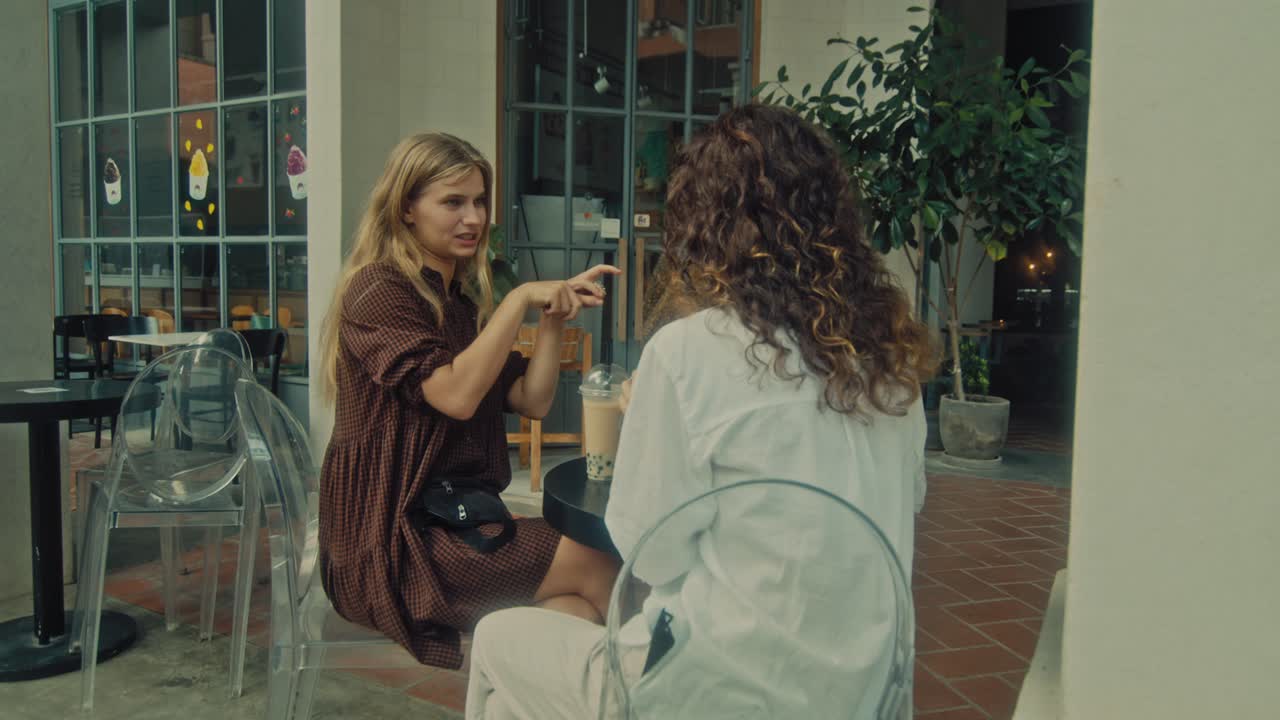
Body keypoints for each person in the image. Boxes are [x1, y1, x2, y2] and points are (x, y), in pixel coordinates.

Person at [465, 104, 934, 718]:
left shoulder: (690, 352)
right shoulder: (890, 363)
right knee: (562, 639)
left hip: (713, 693)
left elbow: (649, 554)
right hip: (864, 696)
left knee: (497, 642)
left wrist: (644, 425)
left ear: (709, 228)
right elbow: (901, 504)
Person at [317, 133, 621, 670]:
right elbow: (456, 396)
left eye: (479, 201)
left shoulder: (456, 302)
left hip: (455, 522)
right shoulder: (379, 290)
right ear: (406, 208)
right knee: (599, 564)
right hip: (392, 542)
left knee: (573, 611)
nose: (474, 218)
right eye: (452, 202)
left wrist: (550, 320)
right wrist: (522, 296)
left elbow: (532, 400)